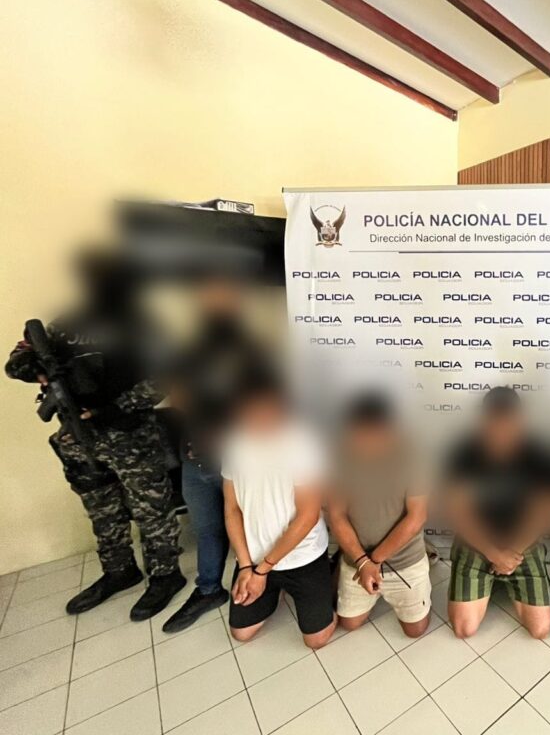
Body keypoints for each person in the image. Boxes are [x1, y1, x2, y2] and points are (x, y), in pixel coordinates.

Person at [6, 250, 184, 620]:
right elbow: (16, 361)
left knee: (151, 509)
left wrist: (115, 409)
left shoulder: (142, 324)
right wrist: (31, 366)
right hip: (78, 436)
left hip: (131, 436)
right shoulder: (66, 324)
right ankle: (119, 570)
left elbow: (165, 376)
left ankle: (166, 575)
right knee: (102, 510)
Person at [162, 276, 269, 633]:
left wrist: (224, 425)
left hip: (237, 460)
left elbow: (264, 405)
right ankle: (208, 590)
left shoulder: (254, 351)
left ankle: (256, 580)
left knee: (249, 524)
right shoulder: (189, 351)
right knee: (207, 529)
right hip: (195, 457)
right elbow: (178, 398)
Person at [221, 371, 336, 649]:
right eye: (250, 411)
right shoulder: (234, 442)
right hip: (255, 558)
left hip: (302, 555)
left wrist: (262, 571)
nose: (259, 419)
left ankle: (330, 577)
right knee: (241, 633)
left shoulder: (302, 443)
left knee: (316, 640)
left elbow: (308, 516)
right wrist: (246, 565)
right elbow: (232, 509)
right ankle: (274, 591)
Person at [446, 387, 550, 640]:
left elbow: (542, 511)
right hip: (477, 543)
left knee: (540, 630)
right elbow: (458, 512)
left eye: (509, 424)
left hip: (522, 545)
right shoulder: (464, 452)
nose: (502, 432)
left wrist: (511, 554)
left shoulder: (537, 452)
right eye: (496, 423)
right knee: (464, 629)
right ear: (484, 421)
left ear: (519, 421)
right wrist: (494, 554)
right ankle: (493, 579)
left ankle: (502, 578)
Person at [327, 392, 431, 638]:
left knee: (415, 630)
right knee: (349, 624)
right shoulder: (339, 456)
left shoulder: (413, 456)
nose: (363, 443)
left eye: (371, 435)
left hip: (404, 559)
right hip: (357, 558)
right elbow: (337, 515)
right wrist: (362, 562)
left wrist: (373, 561)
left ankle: (425, 569)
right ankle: (339, 568)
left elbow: (416, 518)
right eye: (357, 434)